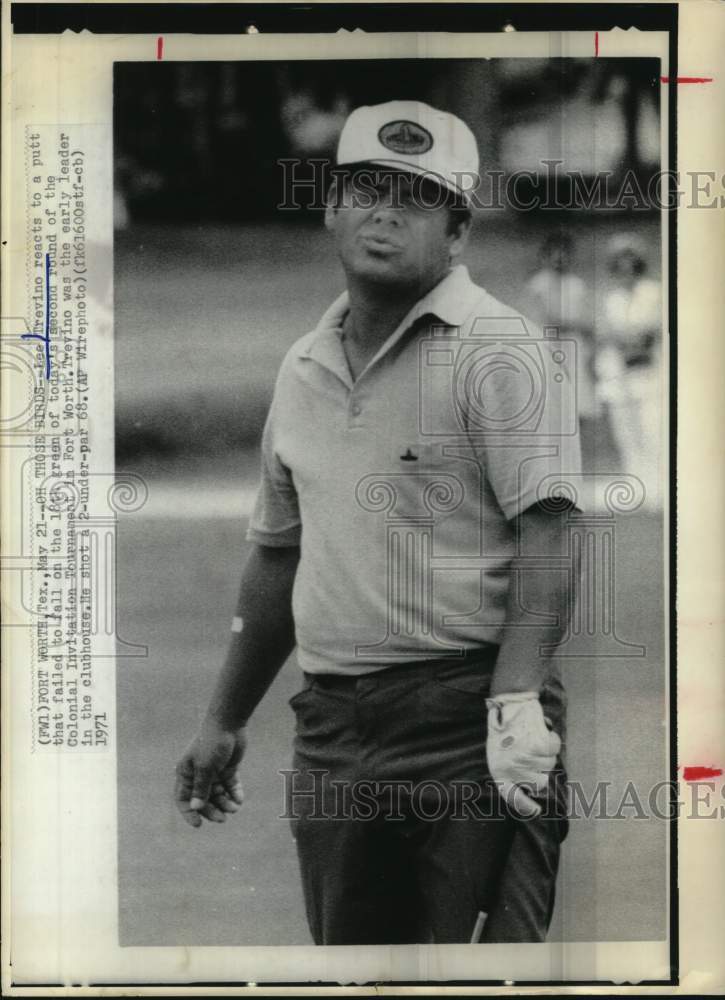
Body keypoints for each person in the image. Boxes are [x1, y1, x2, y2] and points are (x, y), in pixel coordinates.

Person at [174, 100, 582, 945]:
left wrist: (512, 703)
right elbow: (278, 557)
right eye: (365, 187)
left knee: (480, 977)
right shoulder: (303, 364)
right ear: (331, 206)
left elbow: (550, 532)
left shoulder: (500, 350)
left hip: (468, 721)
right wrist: (222, 719)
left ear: (459, 230)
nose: (385, 210)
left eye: (416, 196)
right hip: (333, 728)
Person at [523, 231, 601, 470]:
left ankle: (575, 465)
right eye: (553, 254)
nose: (559, 258)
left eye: (564, 254)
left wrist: (578, 329)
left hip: (575, 351)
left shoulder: (577, 285)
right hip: (548, 350)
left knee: (579, 408)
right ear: (544, 257)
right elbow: (544, 320)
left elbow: (588, 322)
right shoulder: (537, 285)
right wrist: (570, 323)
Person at [598, 234, 662, 508]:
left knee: (653, 431)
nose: (626, 269)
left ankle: (659, 490)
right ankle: (636, 489)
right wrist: (623, 338)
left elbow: (652, 330)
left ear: (638, 264)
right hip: (618, 375)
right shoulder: (611, 299)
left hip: (649, 374)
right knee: (627, 435)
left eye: (631, 263)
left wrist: (629, 337)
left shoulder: (653, 292)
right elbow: (606, 332)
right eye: (619, 264)